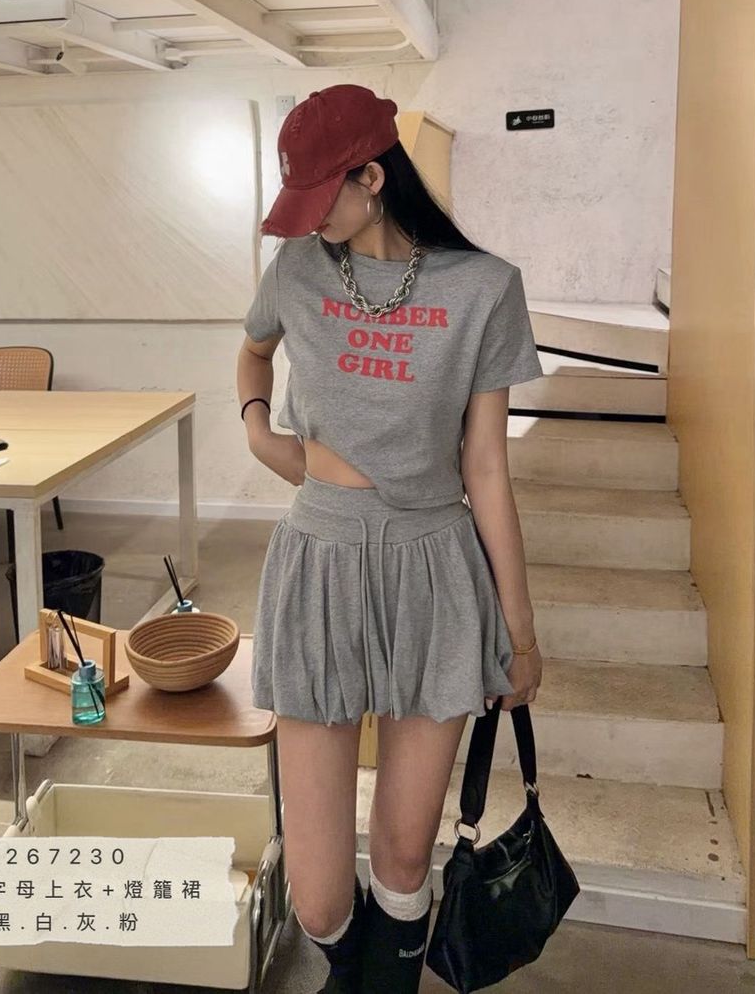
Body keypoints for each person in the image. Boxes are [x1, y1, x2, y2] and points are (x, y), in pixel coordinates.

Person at [236, 85, 545, 994]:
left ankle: (389, 975)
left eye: (321, 197)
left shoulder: (485, 288)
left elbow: (486, 468)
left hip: (435, 571)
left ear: (372, 178)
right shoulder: (296, 269)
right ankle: (346, 957)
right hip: (319, 567)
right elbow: (253, 349)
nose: (309, 221)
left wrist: (520, 633)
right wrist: (259, 430)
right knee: (319, 896)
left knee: (406, 857)